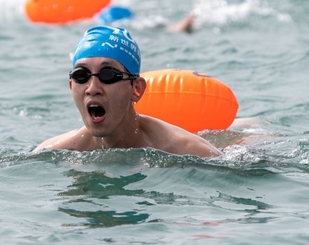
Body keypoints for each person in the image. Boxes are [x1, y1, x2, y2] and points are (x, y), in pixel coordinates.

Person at [33, 25, 222, 157]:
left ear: (136, 89)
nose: (92, 88)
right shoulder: (54, 152)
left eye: (108, 75)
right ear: (71, 86)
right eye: (81, 75)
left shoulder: (187, 150)